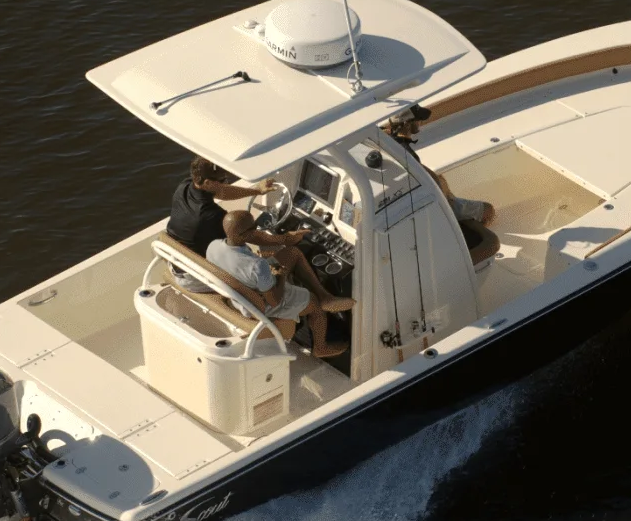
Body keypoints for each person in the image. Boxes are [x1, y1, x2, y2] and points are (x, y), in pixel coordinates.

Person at [207, 210, 354, 358]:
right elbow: (275, 301)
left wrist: (281, 243)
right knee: (314, 302)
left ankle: (325, 297)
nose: (257, 230)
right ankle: (321, 347)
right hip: (263, 303)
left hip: (243, 294)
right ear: (243, 235)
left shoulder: (213, 247)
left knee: (292, 253)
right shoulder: (258, 266)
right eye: (254, 228)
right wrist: (281, 275)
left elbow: (243, 267)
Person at [165, 157, 276, 293]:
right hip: (195, 277)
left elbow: (222, 192)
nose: (226, 183)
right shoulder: (212, 215)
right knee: (260, 273)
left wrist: (257, 190)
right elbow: (245, 237)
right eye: (222, 180)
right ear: (207, 183)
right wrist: (284, 239)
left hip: (176, 262)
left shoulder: (185, 187)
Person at [386, 104, 497, 227]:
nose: (420, 123)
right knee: (489, 210)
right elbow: (428, 187)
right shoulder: (407, 154)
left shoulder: (391, 143)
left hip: (436, 199)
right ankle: (463, 233)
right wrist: (447, 199)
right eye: (418, 120)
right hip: (442, 205)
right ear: (407, 124)